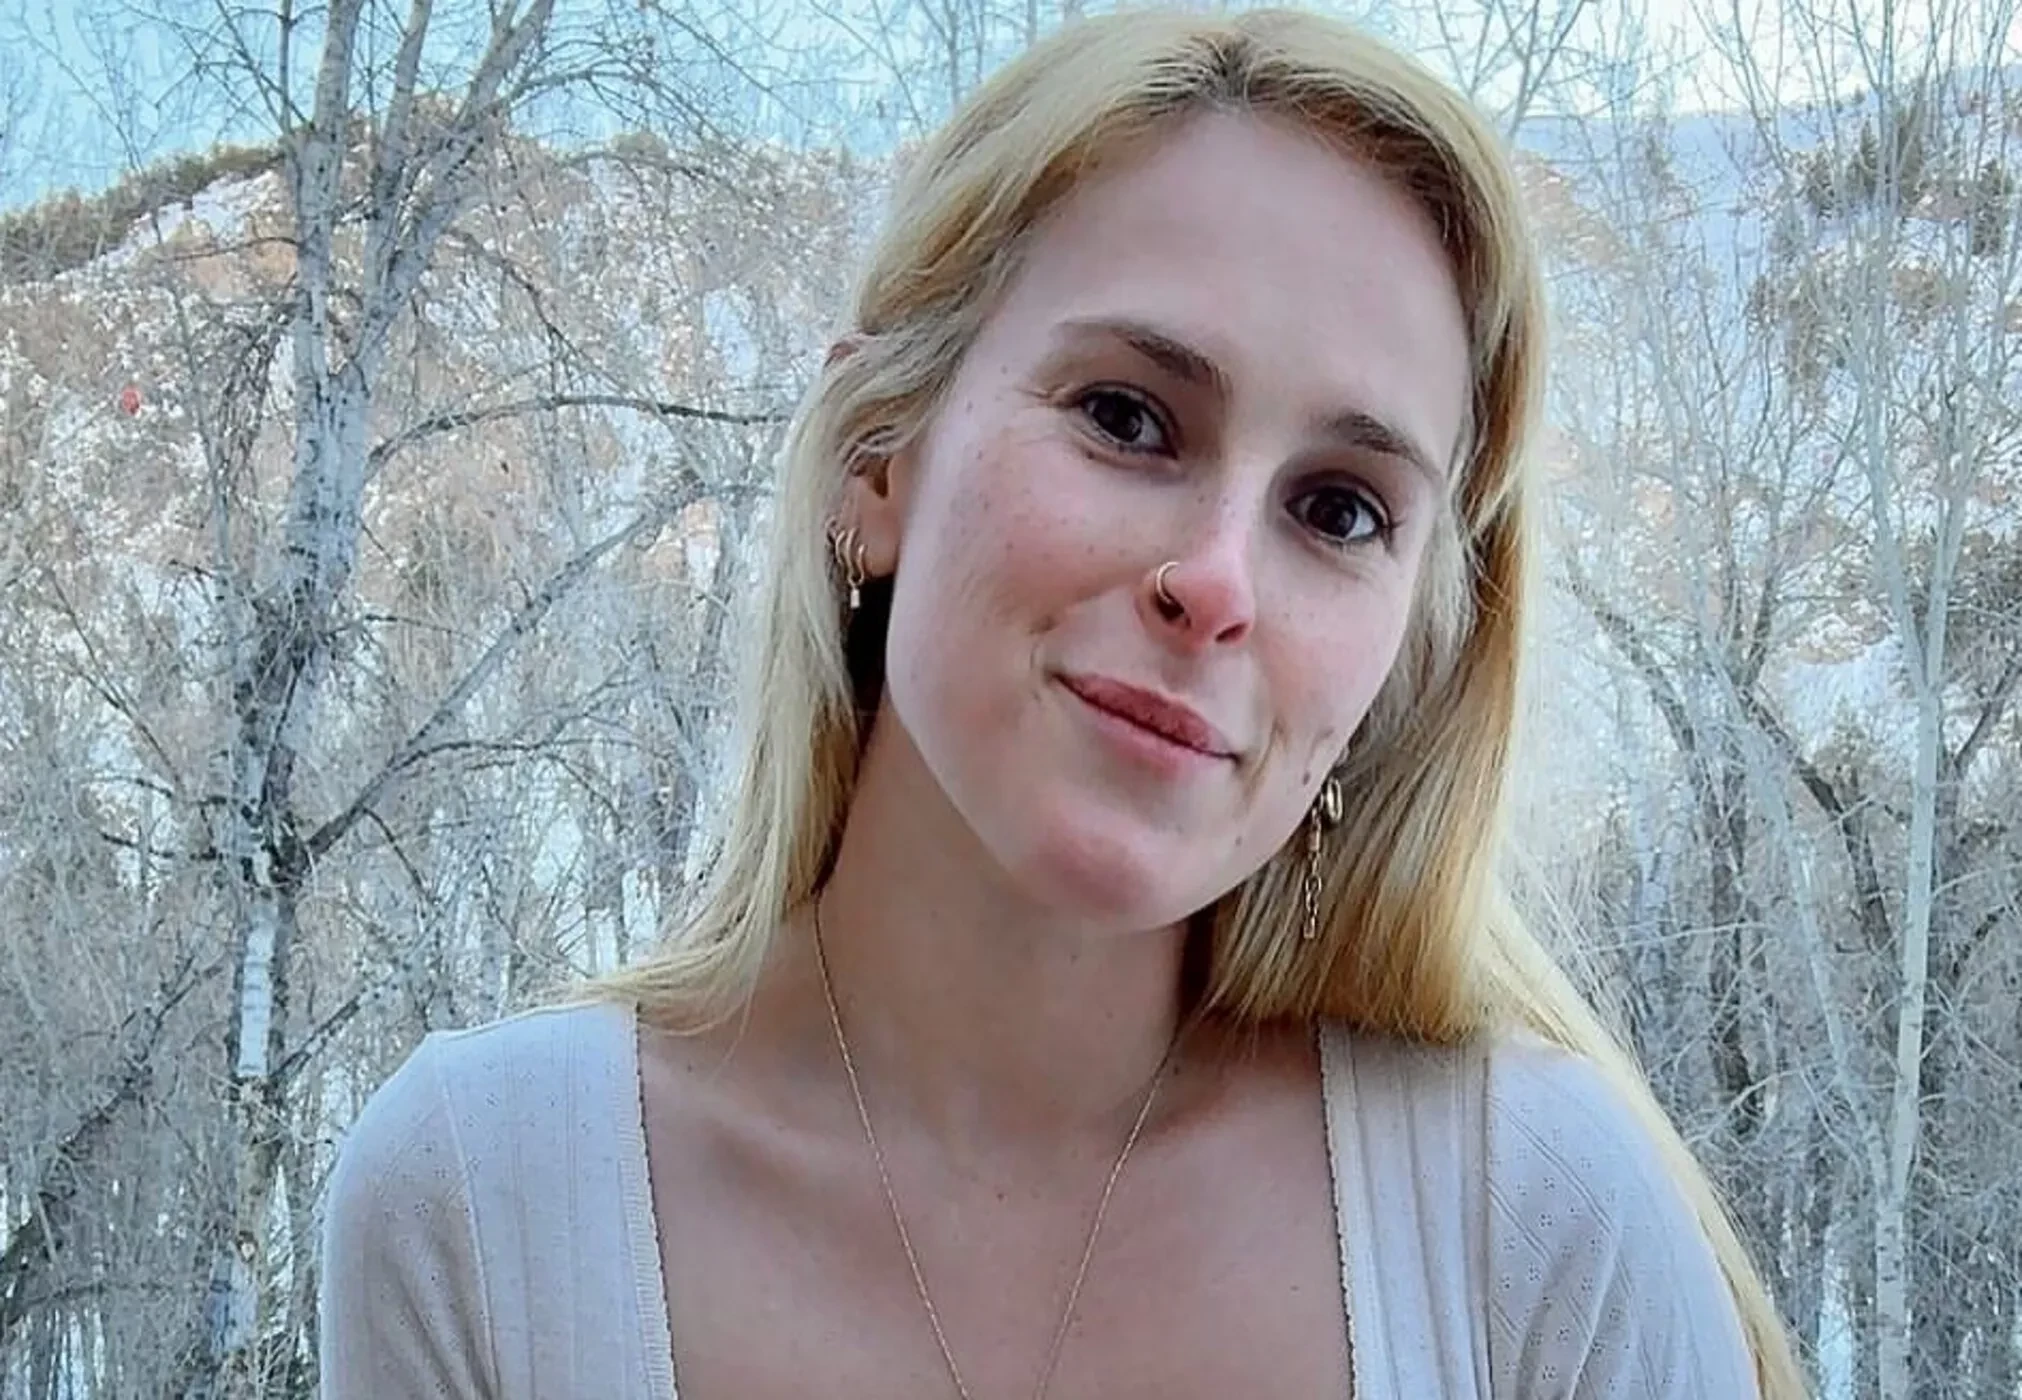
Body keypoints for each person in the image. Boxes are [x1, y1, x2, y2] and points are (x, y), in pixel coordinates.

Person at [319, 9, 1808, 1398]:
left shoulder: (1532, 1226)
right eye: (1126, 417)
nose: (1215, 580)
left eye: (1339, 510)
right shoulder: (491, 1205)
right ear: (878, 459)